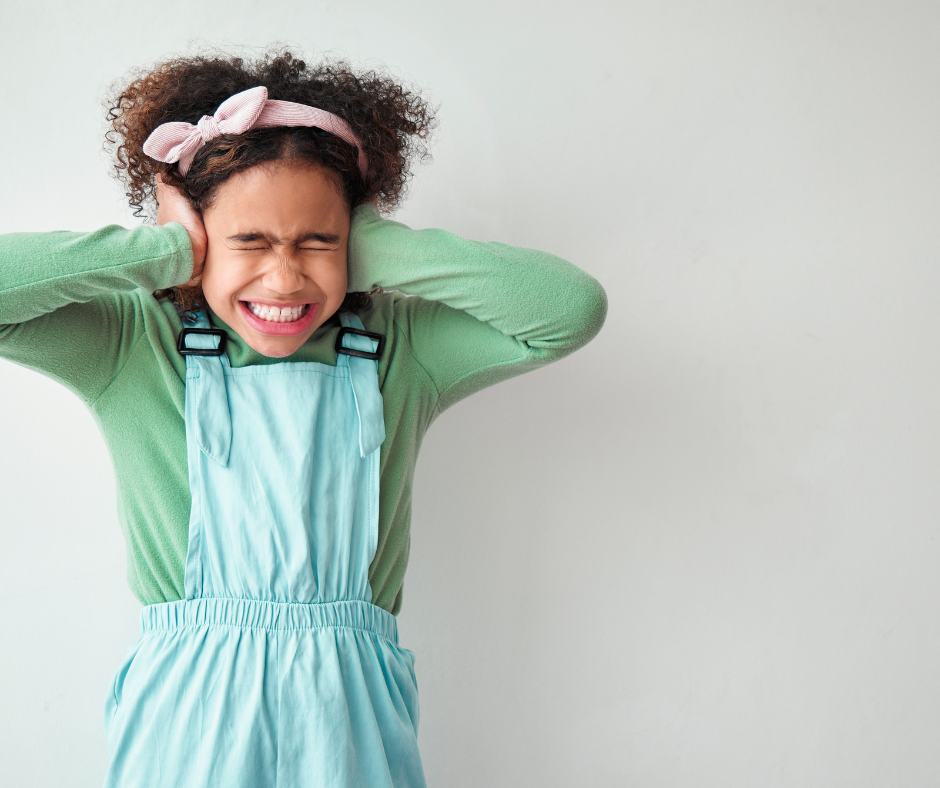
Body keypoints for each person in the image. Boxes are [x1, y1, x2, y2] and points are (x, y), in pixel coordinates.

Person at [0, 49, 607, 787]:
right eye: (247, 241)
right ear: (199, 245)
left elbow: (568, 310)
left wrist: (378, 245)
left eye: (317, 241)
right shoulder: (134, 347)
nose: (284, 277)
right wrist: (163, 249)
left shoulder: (398, 349)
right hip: (188, 719)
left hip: (352, 721)